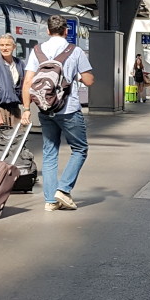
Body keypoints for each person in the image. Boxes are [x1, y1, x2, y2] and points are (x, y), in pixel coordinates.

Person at [21, 15, 94, 212]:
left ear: (47, 31)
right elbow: (88, 81)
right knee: (80, 149)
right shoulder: (75, 51)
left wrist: (26, 109)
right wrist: (76, 74)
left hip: (46, 108)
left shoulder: (37, 50)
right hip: (68, 109)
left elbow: (28, 82)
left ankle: (50, 201)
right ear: (66, 31)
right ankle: (63, 189)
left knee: (50, 152)